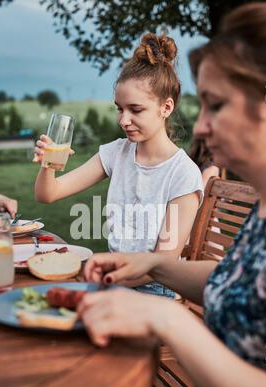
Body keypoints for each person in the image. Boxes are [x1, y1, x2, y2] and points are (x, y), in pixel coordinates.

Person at [77, 2, 266, 387]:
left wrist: (167, 318)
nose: (200, 127)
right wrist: (149, 264)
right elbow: (235, 281)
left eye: (216, 105)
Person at [33, 33, 203, 298]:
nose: (124, 120)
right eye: (119, 109)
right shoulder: (116, 153)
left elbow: (163, 264)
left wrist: (105, 281)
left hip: (155, 291)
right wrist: (49, 163)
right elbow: (47, 194)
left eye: (135, 110)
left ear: (166, 107)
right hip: (114, 282)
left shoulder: (183, 174)